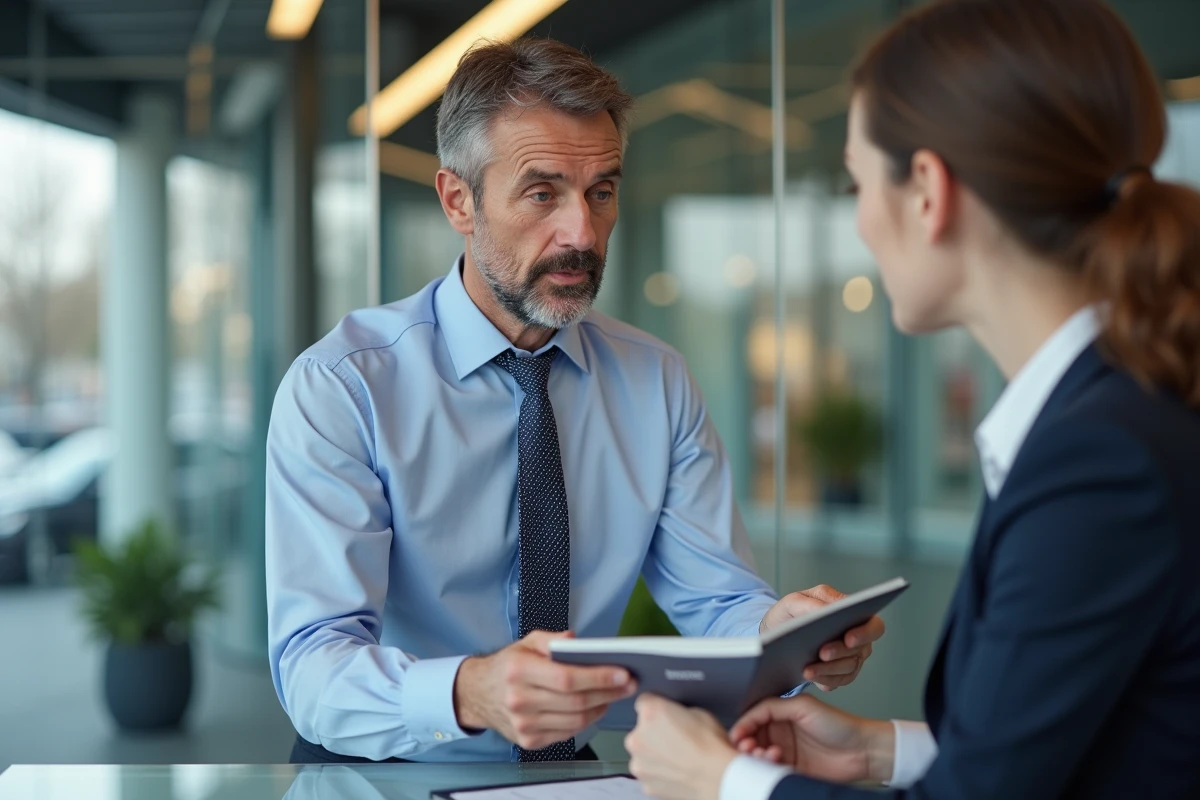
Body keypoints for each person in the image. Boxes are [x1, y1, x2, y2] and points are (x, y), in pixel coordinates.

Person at [624, 0, 1200, 797]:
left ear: (928, 190)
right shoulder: (1121, 414)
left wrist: (719, 779)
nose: (860, 222)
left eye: (856, 183)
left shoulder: (1097, 460)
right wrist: (877, 753)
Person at [265, 38, 886, 765]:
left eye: (601, 192)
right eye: (542, 194)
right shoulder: (346, 386)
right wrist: (471, 692)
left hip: (566, 770)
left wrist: (781, 638)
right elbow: (312, 665)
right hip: (381, 767)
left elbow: (718, 603)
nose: (582, 234)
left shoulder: (656, 381)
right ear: (458, 201)